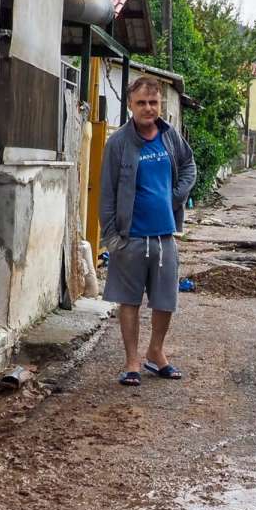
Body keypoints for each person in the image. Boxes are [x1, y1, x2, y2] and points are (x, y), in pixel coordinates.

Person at [99, 75, 197, 386]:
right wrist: (113, 239)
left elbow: (189, 166)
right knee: (128, 300)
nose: (148, 108)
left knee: (164, 299)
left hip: (164, 235)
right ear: (130, 105)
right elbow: (107, 193)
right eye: (141, 103)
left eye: (153, 103)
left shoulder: (170, 137)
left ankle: (156, 353)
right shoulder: (117, 143)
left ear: (160, 105)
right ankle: (132, 362)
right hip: (131, 237)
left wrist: (175, 196)